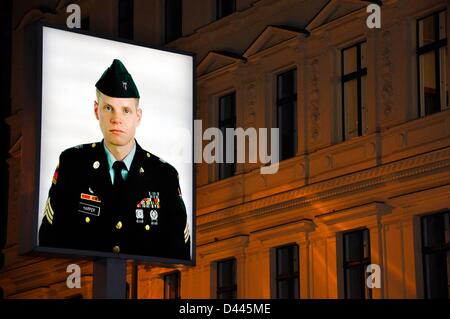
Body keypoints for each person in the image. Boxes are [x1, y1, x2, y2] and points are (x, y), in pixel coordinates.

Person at [38, 59, 191, 260]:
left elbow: (178, 252)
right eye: (109, 108)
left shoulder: (163, 176)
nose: (116, 119)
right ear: (96, 110)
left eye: (125, 110)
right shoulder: (73, 164)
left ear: (138, 116)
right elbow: (50, 240)